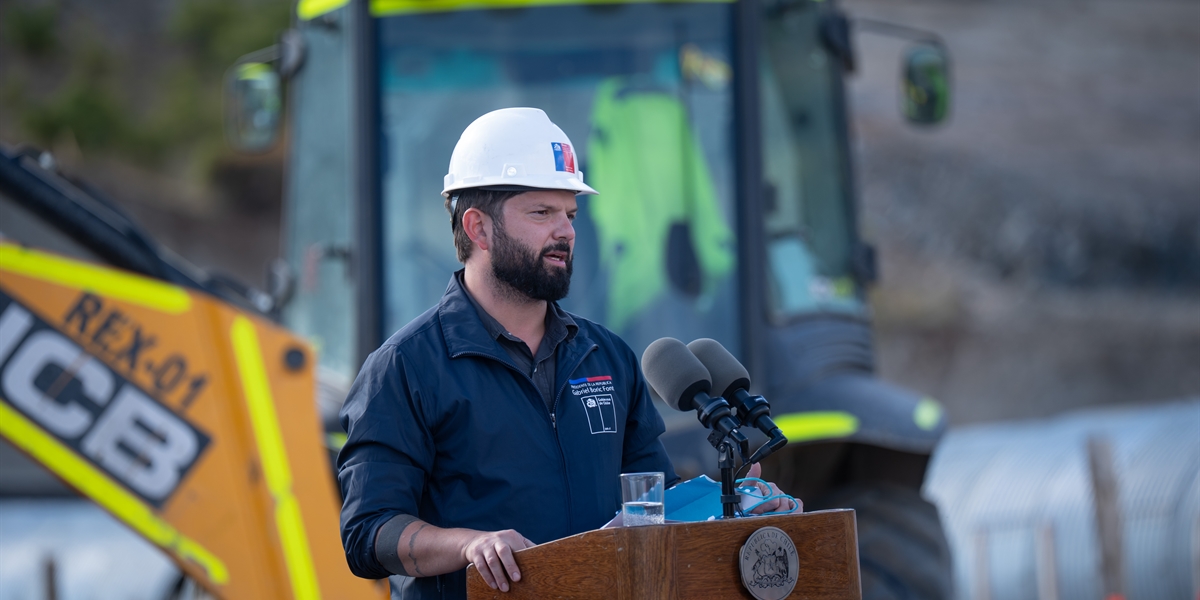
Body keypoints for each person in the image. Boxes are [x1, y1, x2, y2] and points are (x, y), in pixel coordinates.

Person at [337, 107, 796, 599]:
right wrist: (470, 545)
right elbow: (369, 532)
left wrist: (727, 506)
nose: (567, 232)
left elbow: (653, 504)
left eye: (571, 214)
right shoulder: (404, 367)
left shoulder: (609, 358)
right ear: (478, 228)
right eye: (542, 213)